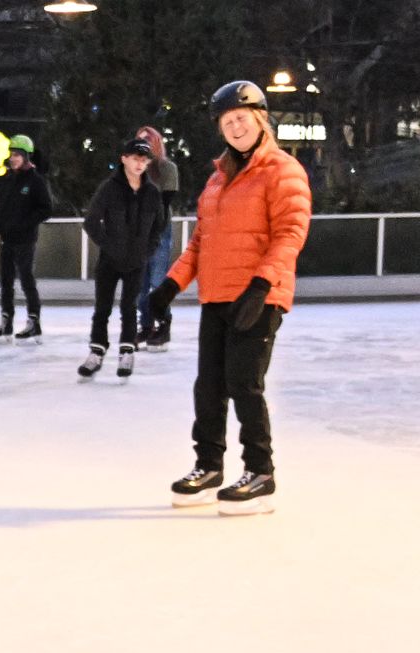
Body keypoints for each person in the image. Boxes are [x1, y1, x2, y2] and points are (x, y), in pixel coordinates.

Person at [148, 81, 313, 515]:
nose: (236, 127)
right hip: (217, 296)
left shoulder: (283, 170)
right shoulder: (218, 178)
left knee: (244, 383)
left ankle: (260, 472)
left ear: (261, 120)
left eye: (242, 118)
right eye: (228, 121)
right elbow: (201, 243)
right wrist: (170, 285)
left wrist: (261, 287)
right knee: (209, 386)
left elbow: (290, 234)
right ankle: (209, 467)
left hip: (259, 296)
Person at [78, 136, 169, 380]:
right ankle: (96, 351)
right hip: (109, 261)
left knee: (129, 308)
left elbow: (159, 227)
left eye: (144, 159)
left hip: (136, 262)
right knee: (102, 308)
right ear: (124, 159)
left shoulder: (151, 193)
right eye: (136, 158)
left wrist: (146, 251)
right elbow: (90, 222)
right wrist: (108, 245)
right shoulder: (109, 188)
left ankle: (127, 351)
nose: (140, 164)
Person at [0, 135, 55, 342]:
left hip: (25, 239)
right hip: (7, 238)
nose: (13, 158)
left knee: (26, 279)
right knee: (5, 281)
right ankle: (6, 321)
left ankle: (34, 322)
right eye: (11, 155)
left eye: (17, 155)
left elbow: (46, 209)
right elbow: (1, 207)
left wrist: (24, 224)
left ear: (26, 157)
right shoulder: (8, 180)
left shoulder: (35, 181)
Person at [134, 125, 181, 349]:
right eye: (140, 141)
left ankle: (164, 324)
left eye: (147, 141)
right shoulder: (133, 171)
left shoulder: (166, 168)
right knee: (139, 284)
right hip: (137, 233)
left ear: (156, 144)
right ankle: (145, 325)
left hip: (159, 231)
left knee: (157, 280)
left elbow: (165, 201)